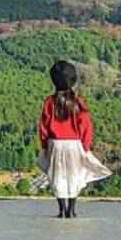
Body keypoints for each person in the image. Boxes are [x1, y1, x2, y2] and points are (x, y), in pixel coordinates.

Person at [38, 59, 111, 218]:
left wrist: (44, 145)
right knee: (74, 175)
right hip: (75, 144)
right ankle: (72, 209)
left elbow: (43, 126)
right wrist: (85, 146)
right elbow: (86, 125)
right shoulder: (78, 101)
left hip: (55, 144)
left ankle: (61, 210)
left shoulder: (49, 102)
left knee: (58, 175)